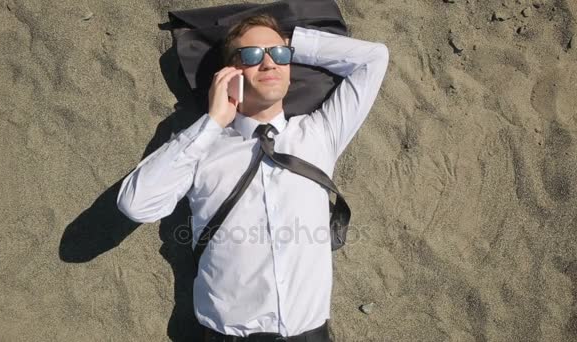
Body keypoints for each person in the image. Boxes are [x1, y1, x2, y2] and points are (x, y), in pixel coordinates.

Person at [117, 14, 389, 342]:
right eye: (251, 56)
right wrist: (213, 122)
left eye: (278, 54)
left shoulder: (320, 133)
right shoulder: (203, 146)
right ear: (228, 72)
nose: (269, 63)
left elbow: (373, 58)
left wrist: (293, 44)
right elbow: (136, 204)